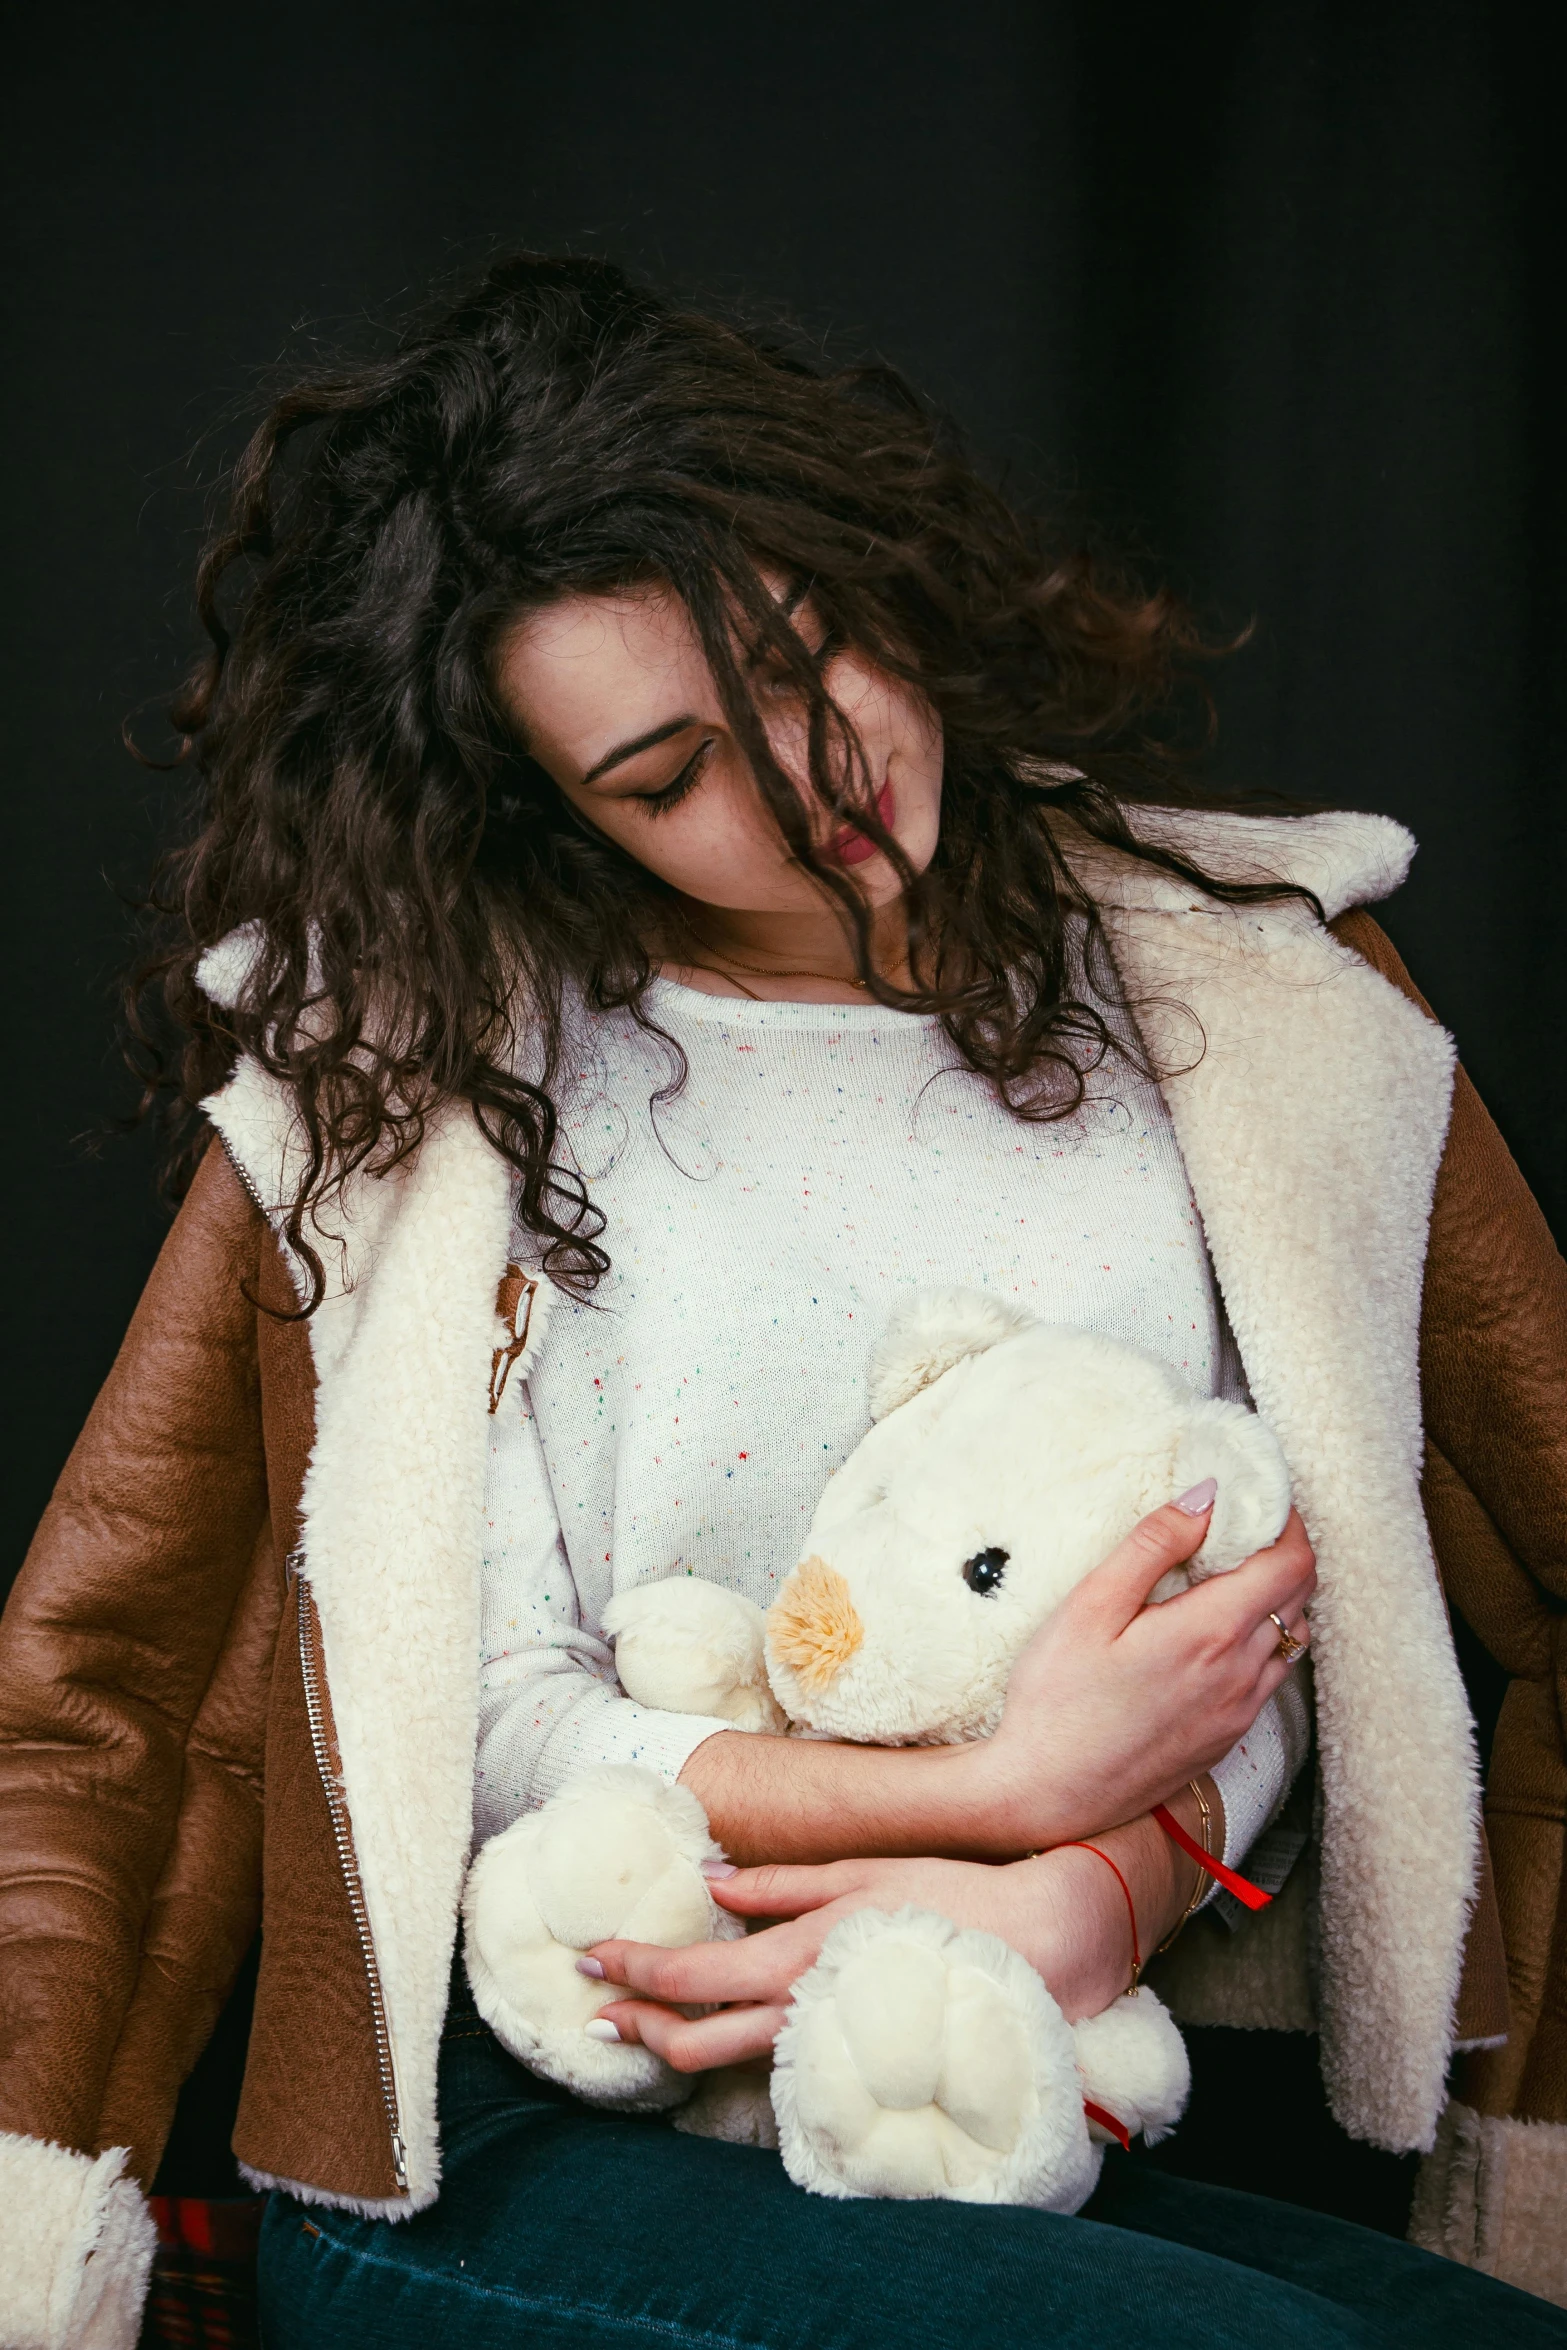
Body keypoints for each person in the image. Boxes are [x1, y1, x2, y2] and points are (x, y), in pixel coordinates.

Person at [1, 253, 1563, 2350]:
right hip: (531, 2125)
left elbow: (1272, 1598)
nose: (811, 772)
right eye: (666, 775)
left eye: (808, 650)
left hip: (1004, 2099)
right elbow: (459, 1719)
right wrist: (990, 1805)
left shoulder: (1261, 1003)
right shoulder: (422, 1089)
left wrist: (1100, 1878)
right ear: (540, 806)